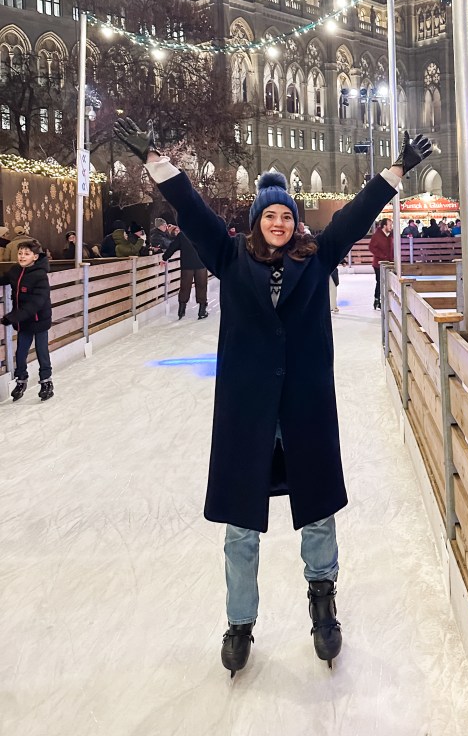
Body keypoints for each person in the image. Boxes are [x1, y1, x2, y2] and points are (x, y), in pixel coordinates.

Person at [113, 117, 432, 674]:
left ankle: (323, 604)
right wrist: (157, 163)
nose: (279, 223)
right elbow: (192, 210)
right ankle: (240, 622)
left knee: (318, 512)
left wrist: (397, 169)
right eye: (270, 216)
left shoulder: (317, 256)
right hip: (249, 410)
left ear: (295, 221)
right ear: (257, 221)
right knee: (241, 522)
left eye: (286, 216)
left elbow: (357, 214)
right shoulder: (229, 256)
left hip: (304, 405)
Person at [1, 238, 54, 401]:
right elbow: (3, 279)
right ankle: (21, 380)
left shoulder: (40, 276)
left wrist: (13, 317)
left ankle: (46, 382)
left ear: (35, 257)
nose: (22, 256)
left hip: (39, 320)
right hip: (23, 321)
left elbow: (36, 303)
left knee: (41, 351)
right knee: (21, 352)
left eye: (26, 254)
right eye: (20, 253)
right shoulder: (15, 271)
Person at [163, 227, 209, 320]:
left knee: (184, 287)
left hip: (186, 265)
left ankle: (181, 311)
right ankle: (202, 311)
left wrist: (165, 257)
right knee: (201, 286)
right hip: (201, 264)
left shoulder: (183, 235)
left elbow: (173, 246)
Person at [369, 218, 394, 311]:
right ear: (384, 226)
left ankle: (388, 301)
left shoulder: (391, 235)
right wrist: (382, 256)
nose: (391, 227)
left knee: (389, 282)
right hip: (378, 264)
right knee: (380, 282)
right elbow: (371, 247)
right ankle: (377, 300)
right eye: (390, 225)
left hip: (389, 263)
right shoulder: (377, 235)